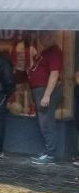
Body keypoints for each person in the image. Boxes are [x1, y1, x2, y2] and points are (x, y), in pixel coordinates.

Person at [28, 31, 63, 165]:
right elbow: (33, 69)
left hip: (46, 91)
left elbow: (54, 74)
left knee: (46, 122)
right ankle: (47, 151)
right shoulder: (45, 51)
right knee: (43, 121)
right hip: (39, 91)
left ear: (49, 36)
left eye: (42, 37)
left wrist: (47, 95)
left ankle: (50, 154)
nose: (40, 40)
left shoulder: (54, 52)